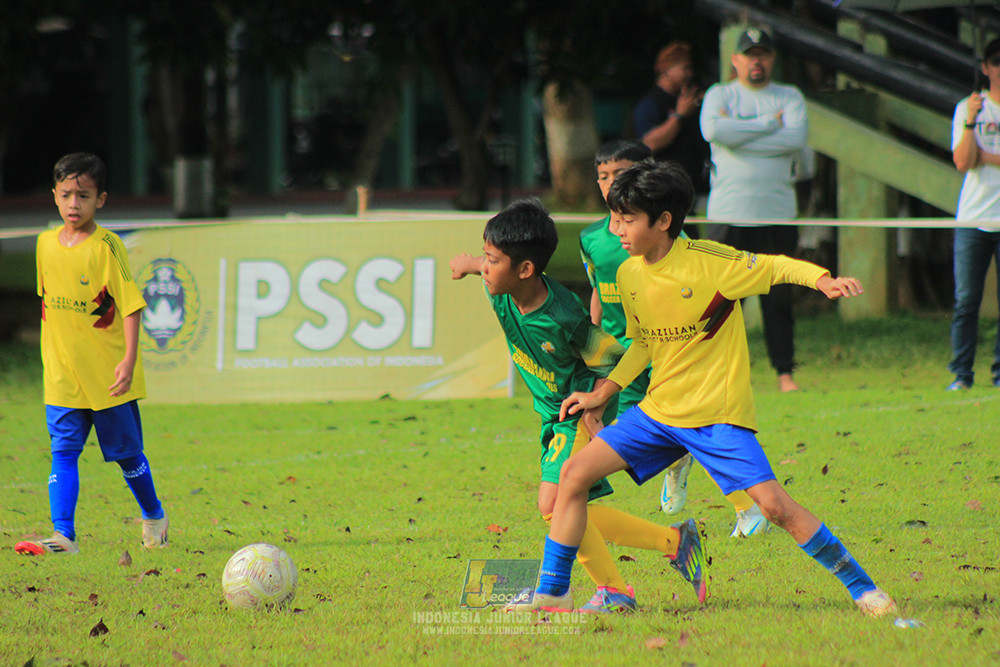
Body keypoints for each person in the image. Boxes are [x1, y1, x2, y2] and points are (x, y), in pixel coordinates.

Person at [514, 160, 898, 618]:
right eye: (616, 217)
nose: (617, 228)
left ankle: (865, 590)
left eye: (627, 219)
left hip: (716, 418)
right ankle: (553, 593)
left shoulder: (711, 263)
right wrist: (604, 392)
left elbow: (775, 266)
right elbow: (642, 344)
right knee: (573, 477)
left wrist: (822, 280)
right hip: (658, 413)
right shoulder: (630, 273)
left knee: (774, 506)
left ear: (663, 222)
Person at [450, 199, 700, 613]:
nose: (486, 266)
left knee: (554, 503)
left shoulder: (564, 315)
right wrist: (469, 264)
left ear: (525, 270)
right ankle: (674, 542)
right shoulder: (500, 284)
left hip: (579, 409)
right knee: (569, 509)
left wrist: (596, 409)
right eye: (486, 258)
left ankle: (603, 591)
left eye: (492, 261)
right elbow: (486, 264)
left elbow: (613, 359)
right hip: (551, 414)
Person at [581, 139, 768, 536]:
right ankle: (676, 468)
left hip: (676, 351)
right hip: (624, 350)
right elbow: (597, 289)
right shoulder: (592, 239)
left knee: (698, 427)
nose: (611, 181)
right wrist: (593, 341)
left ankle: (747, 508)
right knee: (627, 433)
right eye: (603, 176)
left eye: (620, 173)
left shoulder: (669, 238)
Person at [15, 153, 168, 555]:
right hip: (63, 376)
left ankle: (153, 513)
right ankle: (63, 535)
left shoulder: (107, 246)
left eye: (83, 196)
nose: (73, 204)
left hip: (107, 375)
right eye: (65, 194)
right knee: (63, 451)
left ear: (100, 200)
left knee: (127, 455)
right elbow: (49, 305)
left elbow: (131, 305)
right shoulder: (45, 244)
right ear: (54, 195)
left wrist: (129, 360)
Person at [700, 27, 807, 393]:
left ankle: (785, 373)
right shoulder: (720, 94)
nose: (755, 60)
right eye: (749, 54)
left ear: (771, 58)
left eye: (762, 53)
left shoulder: (789, 96)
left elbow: (795, 139)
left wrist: (741, 137)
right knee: (724, 301)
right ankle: (719, 376)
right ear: (736, 60)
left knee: (779, 298)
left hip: (777, 214)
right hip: (728, 215)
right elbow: (714, 132)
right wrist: (767, 126)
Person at [947, 36, 1000, 391]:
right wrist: (969, 123)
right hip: (973, 218)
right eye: (996, 60)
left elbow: (981, 159)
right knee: (966, 301)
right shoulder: (969, 106)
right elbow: (964, 161)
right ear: (985, 67)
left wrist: (989, 157)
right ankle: (962, 374)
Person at [633, 41, 711, 199]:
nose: (689, 74)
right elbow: (649, 143)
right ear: (666, 70)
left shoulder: (688, 100)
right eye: (684, 68)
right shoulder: (651, 104)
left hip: (689, 187)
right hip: (663, 189)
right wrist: (679, 116)